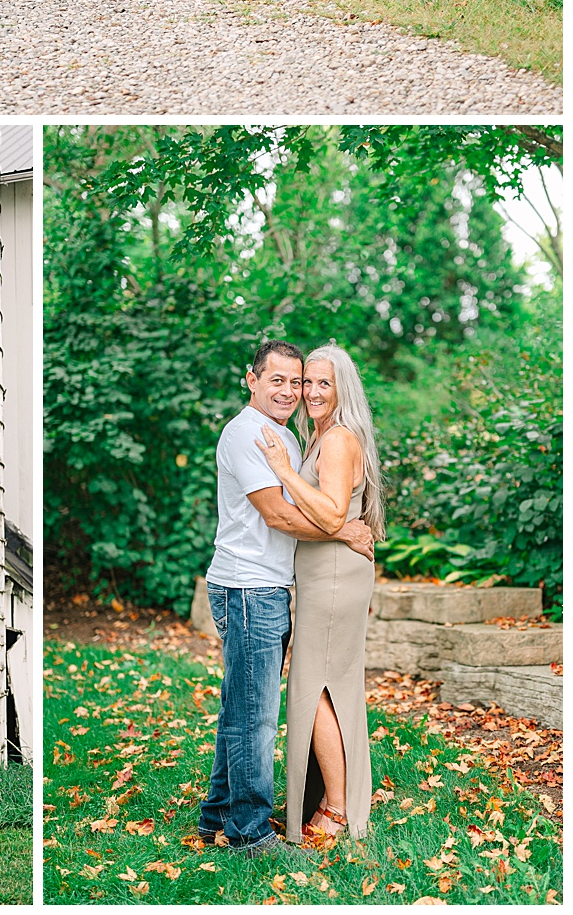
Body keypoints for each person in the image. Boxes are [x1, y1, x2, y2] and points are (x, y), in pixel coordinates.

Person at [195, 340, 376, 855]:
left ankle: (217, 817)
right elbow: (277, 515)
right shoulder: (247, 434)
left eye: (298, 381)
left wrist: (335, 525)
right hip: (249, 586)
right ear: (252, 379)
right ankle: (250, 833)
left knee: (241, 707)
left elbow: (314, 502)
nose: (292, 391)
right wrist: (342, 532)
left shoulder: (288, 439)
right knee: (253, 714)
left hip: (270, 587)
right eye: (279, 380)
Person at [256, 344, 383, 846]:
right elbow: (336, 519)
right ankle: (342, 800)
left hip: (333, 578)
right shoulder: (322, 437)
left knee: (319, 689)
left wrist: (284, 471)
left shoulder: (336, 441)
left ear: (341, 388)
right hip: (325, 574)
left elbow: (331, 515)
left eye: (322, 383)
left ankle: (336, 807)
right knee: (331, 687)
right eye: (306, 382)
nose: (309, 392)